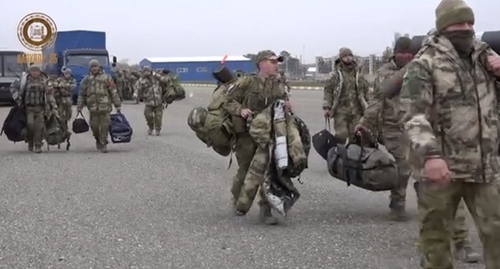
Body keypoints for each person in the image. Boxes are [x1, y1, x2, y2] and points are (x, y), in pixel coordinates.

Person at [401, 0, 500, 267]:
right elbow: (413, 115)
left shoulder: (485, 58)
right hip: (440, 169)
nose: (467, 29)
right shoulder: (425, 63)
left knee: (497, 235)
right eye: (460, 23)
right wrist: (431, 155)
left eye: (471, 23)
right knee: (436, 244)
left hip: (484, 168)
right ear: (444, 27)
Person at [223, 50, 290, 225]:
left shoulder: (279, 83)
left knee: (270, 171)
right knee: (246, 170)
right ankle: (238, 201)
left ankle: (265, 209)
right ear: (261, 63)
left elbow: (284, 101)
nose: (277, 65)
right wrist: (240, 110)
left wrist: (288, 106)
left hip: (270, 133)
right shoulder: (247, 82)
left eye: (277, 62)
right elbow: (228, 100)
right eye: (273, 61)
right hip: (247, 134)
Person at [356, 37, 414, 221]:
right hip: (392, 127)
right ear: (395, 53)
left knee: (422, 167)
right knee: (403, 166)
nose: (406, 55)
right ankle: (397, 204)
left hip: (415, 126)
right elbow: (376, 101)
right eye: (402, 52)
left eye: (409, 52)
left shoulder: (418, 69)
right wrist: (365, 122)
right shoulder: (385, 73)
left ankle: (431, 208)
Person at [323, 47, 370, 141]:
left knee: (356, 136)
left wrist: (369, 105)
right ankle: (339, 154)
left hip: (356, 110)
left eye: (350, 55)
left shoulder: (358, 73)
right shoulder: (335, 74)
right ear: (341, 58)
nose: (348, 58)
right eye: (345, 56)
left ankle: (353, 154)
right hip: (341, 111)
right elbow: (328, 91)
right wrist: (327, 107)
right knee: (341, 135)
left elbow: (366, 89)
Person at [77, 59, 121, 153]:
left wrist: (117, 104)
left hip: (105, 107)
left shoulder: (106, 78)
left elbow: (113, 92)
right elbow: (81, 93)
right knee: (94, 127)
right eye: (92, 67)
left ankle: (104, 143)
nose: (94, 68)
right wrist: (79, 106)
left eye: (96, 66)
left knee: (105, 126)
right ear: (90, 68)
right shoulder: (87, 79)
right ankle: (97, 139)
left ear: (99, 67)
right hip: (93, 108)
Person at [11, 64, 58, 153]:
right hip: (28, 109)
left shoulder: (45, 80)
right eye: (33, 71)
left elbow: (50, 94)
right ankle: (30, 141)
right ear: (30, 72)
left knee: (39, 127)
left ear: (40, 72)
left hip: (41, 108)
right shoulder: (24, 80)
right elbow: (13, 87)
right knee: (30, 126)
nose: (35, 73)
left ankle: (38, 145)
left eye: (37, 71)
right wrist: (17, 98)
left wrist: (53, 106)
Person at [134, 66, 170, 135]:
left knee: (158, 117)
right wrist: (135, 94)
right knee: (148, 115)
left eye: (148, 71)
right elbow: (137, 88)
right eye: (145, 71)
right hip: (148, 101)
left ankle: (158, 129)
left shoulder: (157, 78)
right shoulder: (141, 80)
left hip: (158, 101)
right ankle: (150, 127)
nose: (147, 73)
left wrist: (156, 75)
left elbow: (165, 80)